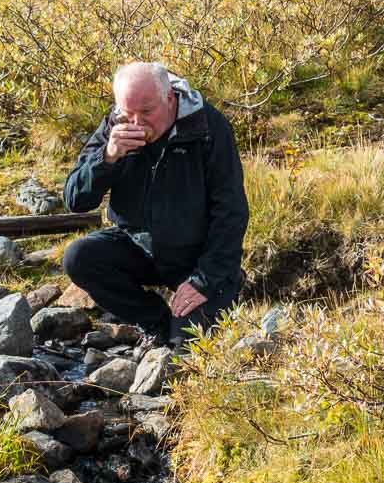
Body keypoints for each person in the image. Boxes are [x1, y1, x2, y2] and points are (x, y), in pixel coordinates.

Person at [62, 61, 248, 345]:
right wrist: (107, 157)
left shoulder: (207, 127)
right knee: (79, 257)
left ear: (170, 98)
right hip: (140, 246)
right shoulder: (115, 125)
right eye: (128, 113)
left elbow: (231, 211)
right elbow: (75, 199)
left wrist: (204, 280)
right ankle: (156, 322)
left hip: (196, 256)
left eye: (147, 112)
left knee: (189, 349)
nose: (137, 123)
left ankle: (216, 297)